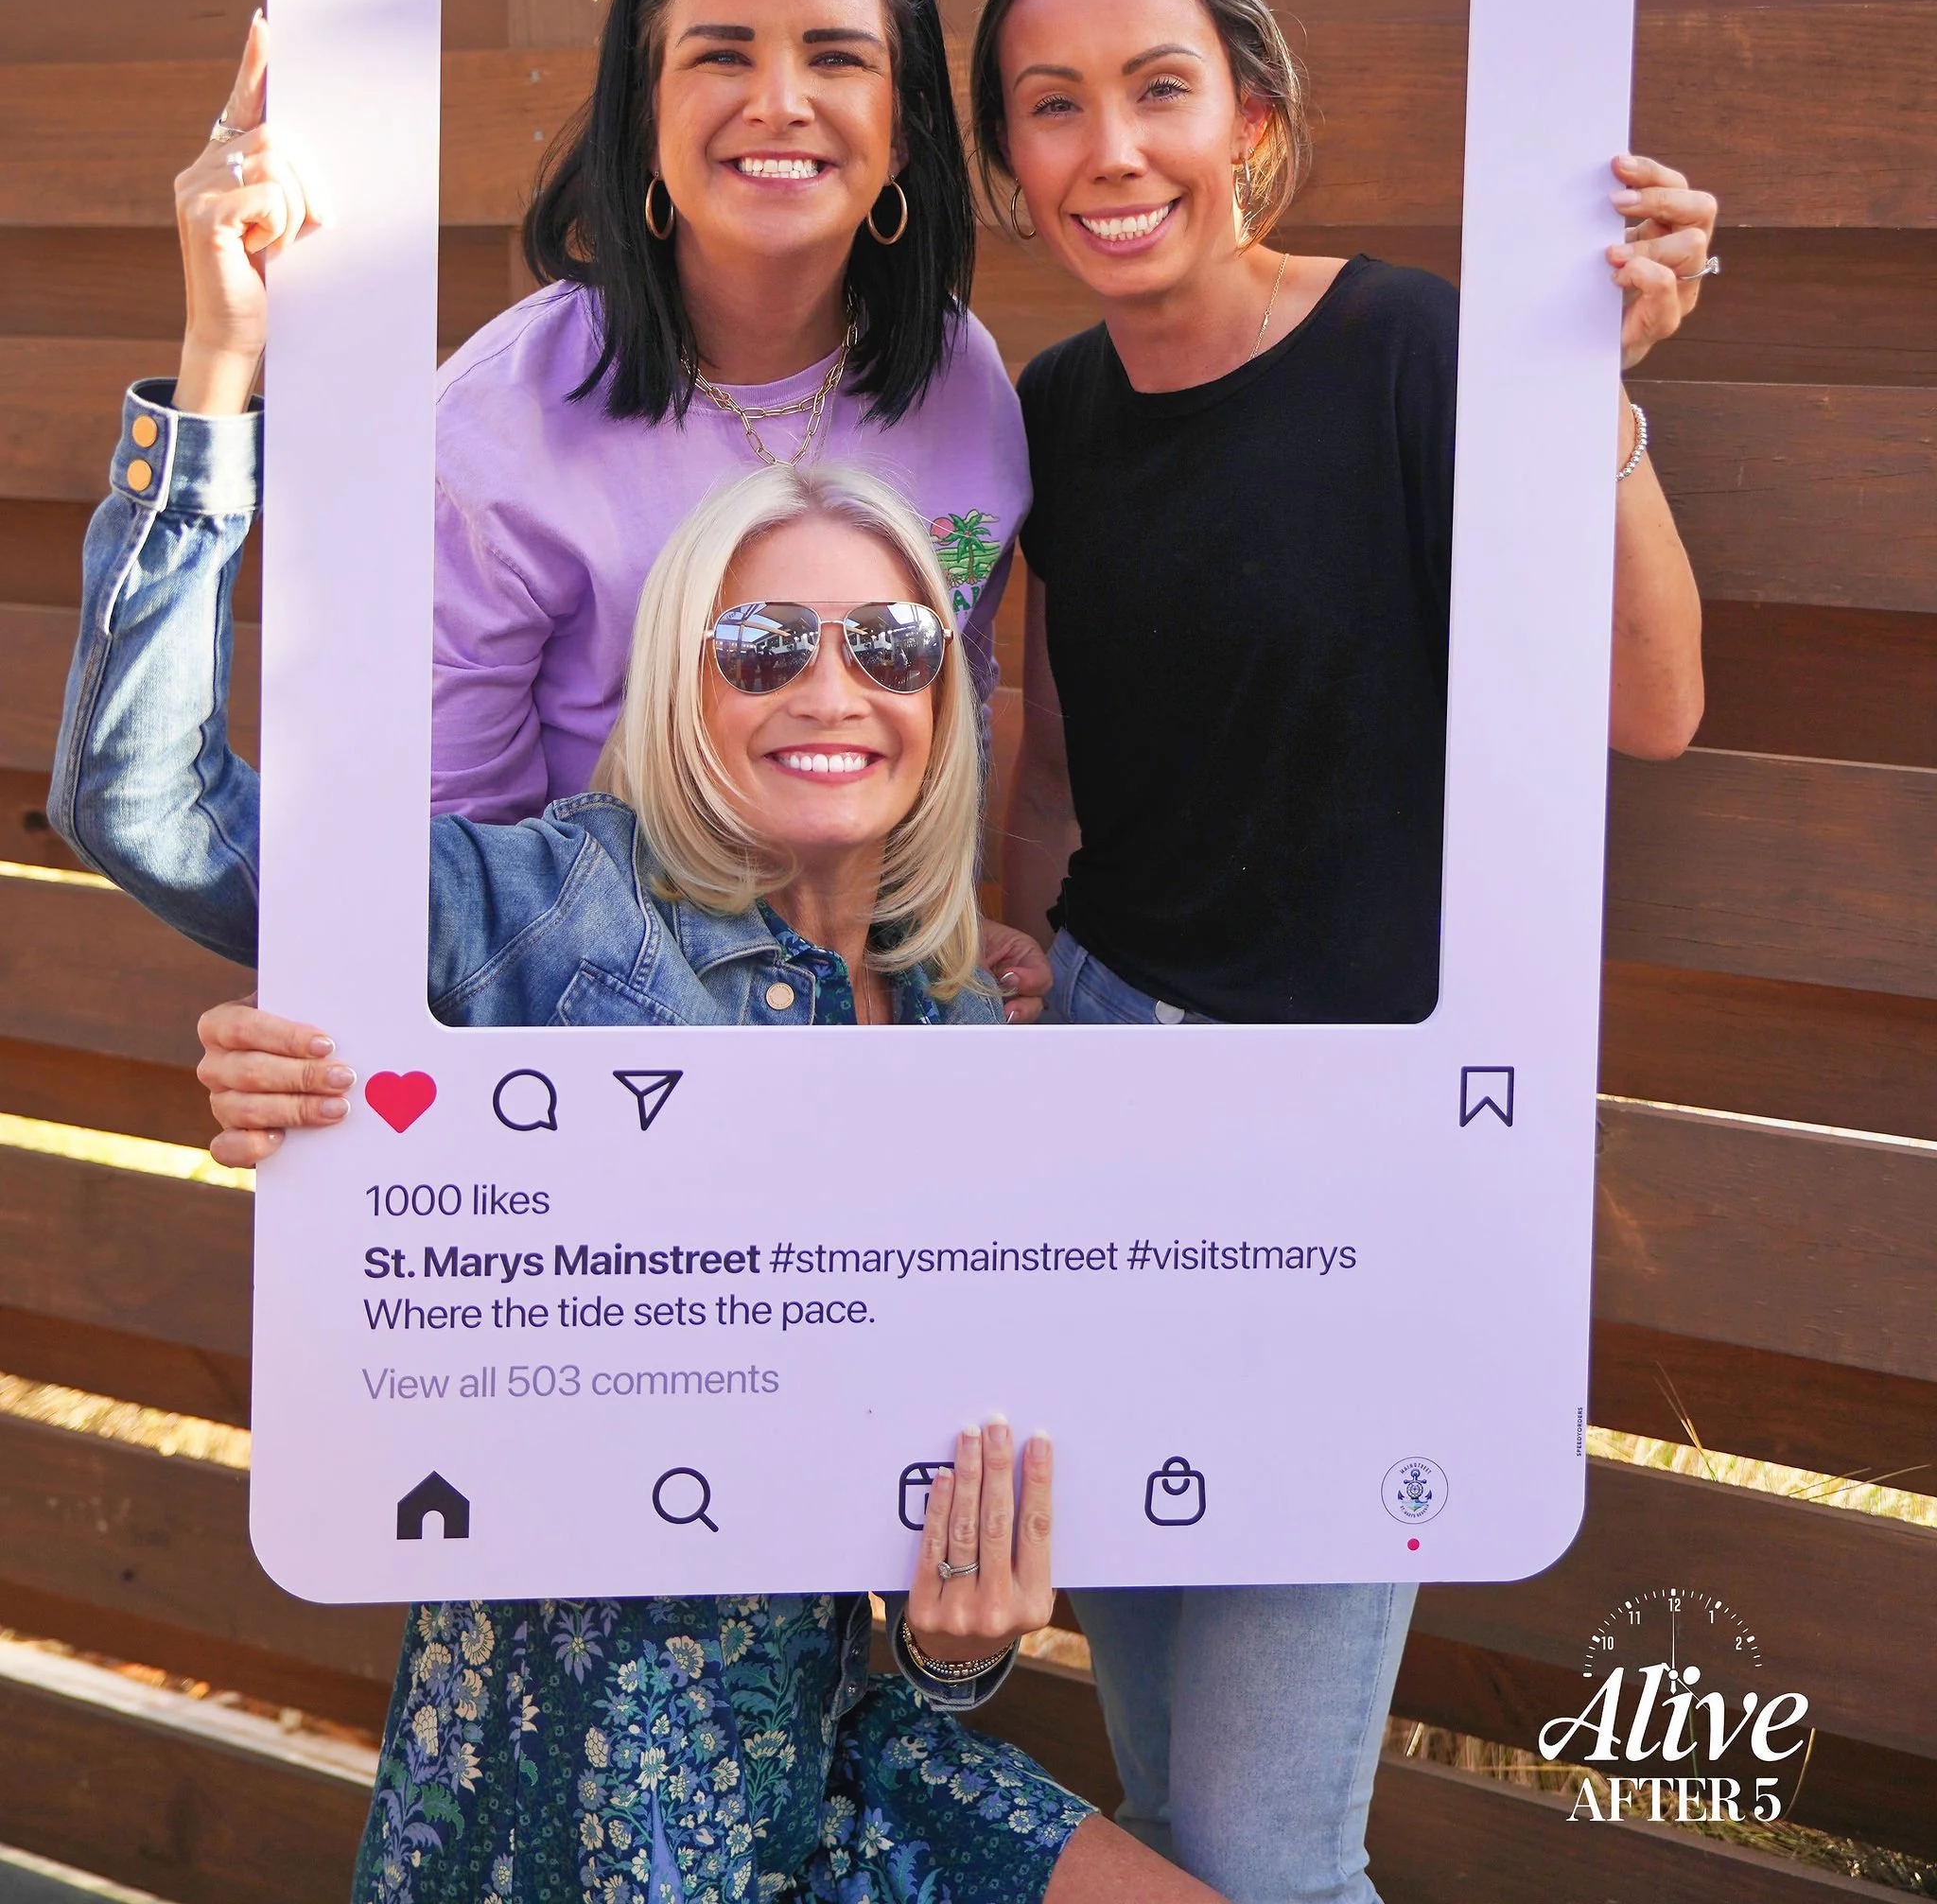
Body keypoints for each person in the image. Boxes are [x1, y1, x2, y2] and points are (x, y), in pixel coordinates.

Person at [54, 411, 1219, 1904]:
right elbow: (148, 806)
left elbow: (904, 1543)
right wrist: (214, 388)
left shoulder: (956, 1041)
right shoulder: (544, 907)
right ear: (683, 678)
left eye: (889, 645)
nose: (832, 687)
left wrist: (956, 1648)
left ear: (942, 697)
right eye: (762, 644)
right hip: (558, 1796)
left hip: (830, 1752)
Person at [969, 0, 1714, 1904]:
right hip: (1109, 1105)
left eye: (1156, 90)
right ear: (1010, 172)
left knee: (1270, 1844)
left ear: (1254, 118)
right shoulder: (1048, 417)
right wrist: (1011, 954)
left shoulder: (1409, 348)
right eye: (1050, 107)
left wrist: (1598, 404)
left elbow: (1652, 704)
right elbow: (1053, 760)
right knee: (1163, 1796)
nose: (1108, 147)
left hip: (1357, 1152)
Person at [175, 0, 1045, 1009]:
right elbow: (453, 841)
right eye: (720, 55)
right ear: (642, 120)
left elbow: (945, 701)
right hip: (600, 1015)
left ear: (900, 132)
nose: (779, 100)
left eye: (835, 57)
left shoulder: (963, 380)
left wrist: (945, 941)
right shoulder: (500, 418)